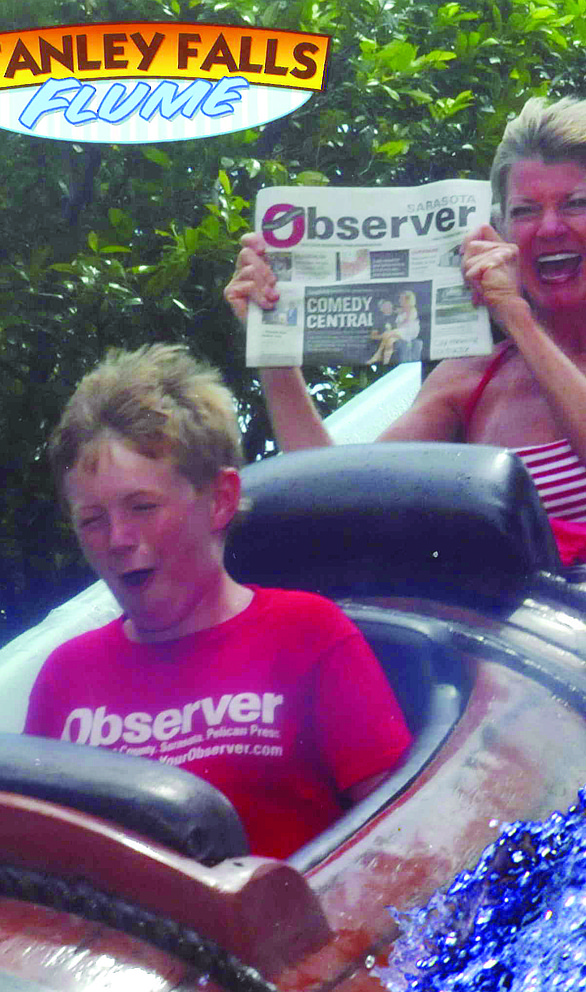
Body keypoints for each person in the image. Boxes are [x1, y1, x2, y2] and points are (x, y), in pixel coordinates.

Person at [225, 96, 586, 565]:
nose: (549, 228)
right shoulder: (468, 379)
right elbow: (335, 501)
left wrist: (514, 315)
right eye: (525, 211)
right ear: (503, 232)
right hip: (530, 643)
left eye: (575, 204)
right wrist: (273, 343)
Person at [23, 344, 412, 859]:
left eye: (142, 507)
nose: (117, 538)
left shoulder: (309, 635)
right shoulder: (64, 678)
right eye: (92, 520)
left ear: (221, 500)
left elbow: (407, 846)